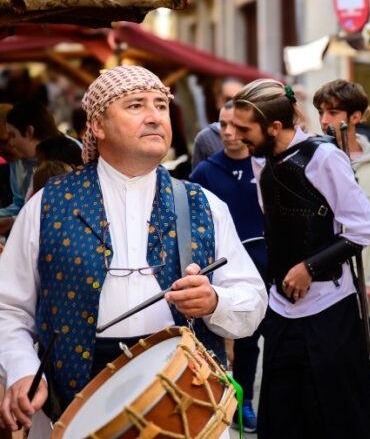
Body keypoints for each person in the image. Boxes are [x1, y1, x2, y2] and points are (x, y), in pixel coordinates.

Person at [0, 66, 268, 438]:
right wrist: (22, 369)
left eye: (161, 105)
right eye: (136, 105)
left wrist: (214, 300)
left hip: (185, 407)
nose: (154, 115)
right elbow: (9, 308)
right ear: (98, 126)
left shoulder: (203, 204)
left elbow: (252, 301)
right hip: (71, 410)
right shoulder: (47, 205)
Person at [230, 79, 370, 439]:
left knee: (338, 418)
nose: (236, 136)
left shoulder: (324, 157)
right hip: (283, 310)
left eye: (244, 128)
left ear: (275, 127)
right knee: (282, 419)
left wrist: (309, 268)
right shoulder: (261, 160)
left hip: (330, 308)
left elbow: (364, 228)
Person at [312, 79, 370, 375]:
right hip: (317, 288)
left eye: (334, 112)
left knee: (359, 372)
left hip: (364, 289)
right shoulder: (309, 160)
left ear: (355, 117)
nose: (325, 120)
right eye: (321, 112)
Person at [190, 100, 268, 433]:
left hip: (269, 268)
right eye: (223, 125)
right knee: (231, 341)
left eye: (236, 126)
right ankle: (238, 401)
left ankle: (253, 401)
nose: (229, 133)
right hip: (220, 272)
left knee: (266, 341)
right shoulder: (206, 172)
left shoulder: (265, 166)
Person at [0, 100, 71, 236]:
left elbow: (55, 217)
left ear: (29, 132)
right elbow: (22, 204)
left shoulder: (65, 157)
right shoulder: (21, 159)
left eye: (12, 136)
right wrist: (13, 221)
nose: (12, 143)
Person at [192, 78, 244, 169]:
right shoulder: (205, 138)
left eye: (241, 101)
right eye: (229, 99)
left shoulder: (257, 133)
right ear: (219, 101)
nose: (233, 106)